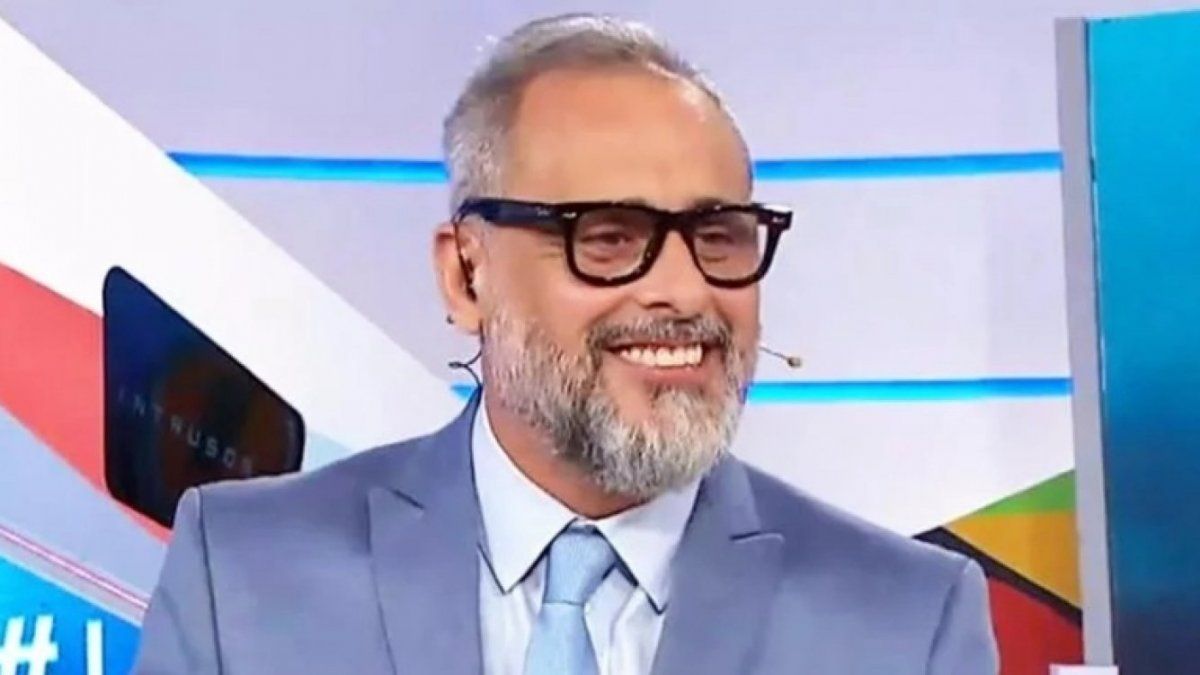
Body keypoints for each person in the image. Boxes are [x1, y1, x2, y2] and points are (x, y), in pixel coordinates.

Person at [135, 13, 998, 675]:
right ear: (466, 275)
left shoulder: (907, 622)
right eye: (609, 236)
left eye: (719, 236)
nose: (686, 291)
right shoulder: (240, 573)